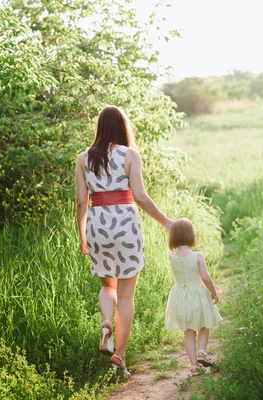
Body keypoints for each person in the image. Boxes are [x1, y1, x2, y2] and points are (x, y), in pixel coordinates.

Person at [75, 105, 172, 378]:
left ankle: (106, 322)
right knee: (127, 296)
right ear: (122, 127)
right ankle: (120, 355)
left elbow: (82, 201)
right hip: (125, 225)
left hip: (97, 225)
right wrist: (166, 222)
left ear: (99, 127)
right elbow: (140, 196)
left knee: (108, 285)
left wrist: (83, 236)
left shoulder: (83, 158)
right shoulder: (130, 155)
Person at [165, 218, 222, 376]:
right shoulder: (198, 256)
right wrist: (214, 292)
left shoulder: (172, 257)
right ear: (191, 235)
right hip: (197, 294)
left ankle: (194, 366)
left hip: (180, 297)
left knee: (188, 331)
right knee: (204, 325)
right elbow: (205, 277)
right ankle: (202, 352)